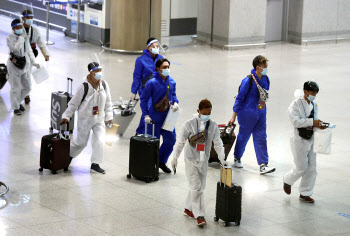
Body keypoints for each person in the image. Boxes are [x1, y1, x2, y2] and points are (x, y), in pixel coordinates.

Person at [171, 99, 229, 227]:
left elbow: (218, 142)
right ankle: (199, 215)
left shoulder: (212, 125)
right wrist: (175, 157)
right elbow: (180, 141)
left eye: (209, 113)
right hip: (191, 159)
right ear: (198, 111)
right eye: (204, 113)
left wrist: (222, 158)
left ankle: (188, 208)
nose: (207, 115)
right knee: (196, 187)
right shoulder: (189, 124)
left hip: (203, 159)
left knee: (200, 187)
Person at [61, 62, 113, 174]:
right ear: (91, 72)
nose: (99, 73)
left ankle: (95, 163)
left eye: (100, 70)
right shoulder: (84, 87)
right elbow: (73, 104)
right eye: (96, 71)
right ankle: (68, 156)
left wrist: (109, 117)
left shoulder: (104, 84)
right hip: (85, 119)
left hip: (99, 118)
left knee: (99, 141)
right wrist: (66, 116)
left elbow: (108, 101)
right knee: (81, 142)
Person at [228, 55, 275, 174]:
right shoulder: (247, 81)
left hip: (261, 113)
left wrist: (261, 111)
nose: (266, 69)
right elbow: (239, 99)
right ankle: (237, 156)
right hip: (247, 114)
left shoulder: (266, 79)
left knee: (261, 137)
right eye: (264, 67)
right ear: (258, 68)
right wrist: (233, 116)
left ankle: (263, 164)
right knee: (244, 137)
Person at [283, 81, 326, 203]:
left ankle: (305, 193)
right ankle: (287, 180)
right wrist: (312, 122)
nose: (314, 94)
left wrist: (320, 125)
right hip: (299, 139)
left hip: (311, 138)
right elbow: (296, 122)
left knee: (312, 168)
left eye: (316, 92)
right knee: (301, 167)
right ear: (305, 91)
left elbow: (314, 120)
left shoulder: (314, 105)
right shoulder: (295, 105)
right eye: (312, 92)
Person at [140, 58, 179, 173]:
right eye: (164, 67)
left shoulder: (171, 82)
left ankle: (161, 161)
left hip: (168, 117)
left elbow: (174, 95)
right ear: (158, 69)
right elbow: (144, 99)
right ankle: (151, 164)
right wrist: (146, 115)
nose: (167, 69)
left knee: (171, 140)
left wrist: (176, 103)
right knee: (153, 142)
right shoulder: (151, 83)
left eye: (168, 67)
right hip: (154, 117)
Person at [6, 19, 39, 116]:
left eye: (21, 27)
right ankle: (15, 108)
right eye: (17, 28)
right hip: (14, 65)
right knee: (15, 88)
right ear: (13, 28)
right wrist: (21, 38)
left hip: (25, 64)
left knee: (28, 87)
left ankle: (17, 102)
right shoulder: (9, 38)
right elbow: (16, 48)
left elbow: (29, 50)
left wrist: (34, 61)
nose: (20, 29)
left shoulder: (25, 37)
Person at [131, 37, 164, 134]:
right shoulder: (140, 60)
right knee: (148, 109)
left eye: (158, 46)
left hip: (158, 88)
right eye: (155, 46)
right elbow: (136, 76)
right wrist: (134, 91)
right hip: (145, 89)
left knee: (153, 110)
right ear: (149, 47)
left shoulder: (161, 59)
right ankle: (140, 131)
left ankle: (145, 129)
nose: (157, 48)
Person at [22, 10, 50, 104]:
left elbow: (41, 43)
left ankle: (26, 94)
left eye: (31, 18)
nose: (30, 19)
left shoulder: (35, 31)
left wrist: (46, 54)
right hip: (19, 56)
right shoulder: (18, 29)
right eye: (27, 17)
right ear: (23, 18)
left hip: (30, 56)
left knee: (27, 75)